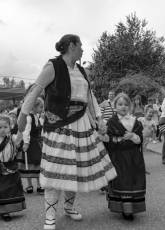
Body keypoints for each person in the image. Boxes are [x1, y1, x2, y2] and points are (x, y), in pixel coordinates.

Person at [17, 34, 117, 230]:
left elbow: (90, 96)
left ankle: (69, 207)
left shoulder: (82, 70)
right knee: (55, 170)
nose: (82, 50)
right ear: (71, 46)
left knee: (76, 170)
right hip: (59, 126)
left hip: (81, 125)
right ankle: (50, 215)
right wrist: (23, 114)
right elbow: (36, 90)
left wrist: (98, 119)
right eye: (80, 46)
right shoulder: (53, 66)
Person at [103, 93, 146, 220]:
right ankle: (125, 210)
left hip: (134, 157)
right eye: (120, 104)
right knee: (122, 182)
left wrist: (133, 136)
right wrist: (105, 137)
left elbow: (140, 141)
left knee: (133, 181)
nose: (123, 107)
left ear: (130, 106)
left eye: (126, 104)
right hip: (118, 158)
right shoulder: (111, 122)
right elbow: (109, 140)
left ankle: (131, 208)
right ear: (114, 106)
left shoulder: (136, 122)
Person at [20, 97, 44, 194]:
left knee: (37, 163)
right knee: (29, 163)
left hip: (37, 143)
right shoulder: (29, 117)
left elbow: (39, 130)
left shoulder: (36, 117)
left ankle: (39, 185)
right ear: (34, 107)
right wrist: (26, 143)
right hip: (30, 143)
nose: (42, 109)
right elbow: (26, 131)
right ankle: (29, 185)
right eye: (40, 107)